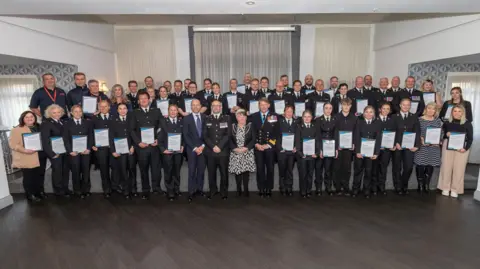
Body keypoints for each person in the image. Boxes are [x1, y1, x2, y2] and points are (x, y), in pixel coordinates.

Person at [129, 91, 163, 199]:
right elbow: (132, 130)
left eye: (145, 98)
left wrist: (158, 139)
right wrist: (138, 142)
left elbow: (162, 127)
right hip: (142, 147)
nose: (143, 100)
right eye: (141, 99)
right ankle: (145, 190)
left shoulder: (156, 111)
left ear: (149, 100)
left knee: (156, 169)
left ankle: (156, 188)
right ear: (138, 101)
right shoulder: (134, 113)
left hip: (154, 146)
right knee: (143, 169)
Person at [438, 105, 473, 198]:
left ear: (463, 113)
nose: (457, 113)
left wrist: (465, 148)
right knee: (446, 167)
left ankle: (455, 189)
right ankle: (445, 187)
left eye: (459, 111)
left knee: (459, 169)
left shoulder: (467, 123)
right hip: (447, 146)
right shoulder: (446, 123)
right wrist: (446, 134)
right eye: (455, 111)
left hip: (462, 148)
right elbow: (442, 135)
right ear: (451, 112)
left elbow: (470, 138)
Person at [9, 111, 44, 202]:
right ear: (22, 119)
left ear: (34, 118)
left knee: (38, 176)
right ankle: (30, 195)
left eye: (31, 116)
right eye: (26, 117)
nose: (29, 118)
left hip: (40, 155)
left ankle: (38, 192)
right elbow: (13, 144)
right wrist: (25, 150)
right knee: (29, 177)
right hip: (26, 156)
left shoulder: (39, 127)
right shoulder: (16, 129)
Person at [203, 100, 231, 200]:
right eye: (214, 106)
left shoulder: (227, 118)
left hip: (223, 151)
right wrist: (212, 146)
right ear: (211, 107)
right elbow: (205, 136)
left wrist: (220, 146)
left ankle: (224, 192)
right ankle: (212, 191)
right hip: (210, 151)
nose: (216, 107)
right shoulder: (207, 118)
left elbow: (228, 134)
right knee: (211, 173)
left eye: (218, 106)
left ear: (221, 107)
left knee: (224, 173)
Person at [63, 105, 93, 199]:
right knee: (75, 171)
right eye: (75, 111)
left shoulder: (87, 123)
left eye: (80, 111)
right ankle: (77, 190)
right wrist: (70, 151)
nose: (78, 113)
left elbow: (91, 136)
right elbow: (65, 139)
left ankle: (86, 190)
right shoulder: (67, 124)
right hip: (73, 152)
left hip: (85, 151)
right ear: (71, 113)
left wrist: (88, 148)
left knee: (86, 171)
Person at [392, 98, 421, 195]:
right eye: (404, 104)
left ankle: (404, 184)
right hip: (397, 146)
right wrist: (395, 142)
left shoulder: (414, 117)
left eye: (408, 105)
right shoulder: (394, 117)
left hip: (409, 146)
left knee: (408, 167)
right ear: (400, 105)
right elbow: (391, 131)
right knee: (396, 167)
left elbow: (417, 132)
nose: (406, 106)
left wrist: (417, 145)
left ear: (410, 106)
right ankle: (398, 186)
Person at [252, 98, 279, 197]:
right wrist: (256, 144)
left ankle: (269, 188)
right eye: (261, 105)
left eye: (265, 104)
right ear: (259, 106)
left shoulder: (274, 116)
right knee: (260, 168)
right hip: (258, 147)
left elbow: (276, 133)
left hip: (270, 147)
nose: (263, 106)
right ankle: (261, 188)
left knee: (270, 168)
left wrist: (268, 145)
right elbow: (252, 133)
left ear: (268, 105)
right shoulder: (254, 116)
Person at [109, 103, 136, 199]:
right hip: (119, 150)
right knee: (123, 170)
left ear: (127, 110)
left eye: (124, 108)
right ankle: (126, 190)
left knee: (132, 170)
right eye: (120, 109)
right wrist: (113, 150)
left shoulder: (131, 119)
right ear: (117, 110)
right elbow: (111, 136)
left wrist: (133, 146)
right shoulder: (113, 121)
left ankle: (133, 189)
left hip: (130, 149)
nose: (122, 110)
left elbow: (135, 134)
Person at [414, 102, 443, 194]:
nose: (431, 111)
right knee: (421, 165)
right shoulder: (419, 120)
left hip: (434, 148)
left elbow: (441, 133)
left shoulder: (438, 121)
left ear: (435, 111)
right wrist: (421, 140)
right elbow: (416, 132)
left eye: (433, 109)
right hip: (422, 146)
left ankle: (426, 184)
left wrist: (439, 141)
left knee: (430, 165)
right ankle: (420, 184)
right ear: (426, 109)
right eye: (429, 108)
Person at [353, 106, 381, 198]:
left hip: (371, 153)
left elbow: (378, 139)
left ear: (374, 114)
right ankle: (355, 189)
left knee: (368, 172)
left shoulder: (377, 123)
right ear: (363, 113)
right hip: (360, 152)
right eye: (367, 112)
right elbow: (356, 137)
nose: (369, 114)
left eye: (371, 112)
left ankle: (366, 190)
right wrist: (357, 151)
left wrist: (376, 153)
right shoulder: (359, 122)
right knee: (358, 171)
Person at [158, 104, 184, 201]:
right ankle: (170, 191)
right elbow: (159, 137)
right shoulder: (163, 121)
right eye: (171, 110)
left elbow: (184, 136)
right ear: (168, 111)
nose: (173, 112)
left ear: (178, 112)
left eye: (175, 110)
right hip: (167, 152)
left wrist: (183, 146)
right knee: (168, 172)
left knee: (177, 171)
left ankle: (177, 189)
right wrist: (163, 149)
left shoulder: (181, 122)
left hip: (178, 152)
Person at [183, 99, 207, 202]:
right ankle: (191, 192)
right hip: (191, 149)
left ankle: (199, 189)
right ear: (191, 107)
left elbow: (207, 133)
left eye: (198, 105)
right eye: (194, 105)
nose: (196, 107)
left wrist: (202, 146)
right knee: (192, 171)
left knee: (201, 171)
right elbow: (186, 135)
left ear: (200, 106)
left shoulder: (205, 117)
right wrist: (194, 147)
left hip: (203, 148)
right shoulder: (186, 118)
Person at [229, 109, 256, 197]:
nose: (242, 118)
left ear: (246, 117)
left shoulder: (250, 126)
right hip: (236, 152)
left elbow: (253, 139)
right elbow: (229, 139)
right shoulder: (232, 126)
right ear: (236, 117)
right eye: (239, 116)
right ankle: (238, 189)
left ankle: (246, 189)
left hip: (247, 152)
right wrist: (234, 148)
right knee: (238, 171)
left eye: (243, 116)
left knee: (245, 171)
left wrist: (246, 148)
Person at [334, 98, 357, 195]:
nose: (346, 107)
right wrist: (336, 145)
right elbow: (334, 132)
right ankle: (338, 188)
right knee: (337, 167)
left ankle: (346, 187)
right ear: (341, 105)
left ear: (351, 106)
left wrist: (353, 143)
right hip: (339, 147)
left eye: (348, 105)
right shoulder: (336, 117)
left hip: (349, 148)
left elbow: (356, 132)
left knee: (347, 168)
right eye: (344, 105)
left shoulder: (354, 118)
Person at [372, 103, 396, 195]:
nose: (385, 110)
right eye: (384, 108)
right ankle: (374, 187)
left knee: (383, 168)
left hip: (386, 149)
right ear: (380, 109)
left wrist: (393, 144)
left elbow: (395, 133)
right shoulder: (374, 119)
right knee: (374, 168)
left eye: (387, 109)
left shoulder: (392, 120)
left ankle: (381, 186)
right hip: (375, 149)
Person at [92, 100, 114, 197]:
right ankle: (107, 189)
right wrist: (92, 144)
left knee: (115, 168)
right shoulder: (94, 118)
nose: (103, 108)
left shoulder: (115, 117)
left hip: (113, 147)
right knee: (104, 169)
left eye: (105, 106)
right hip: (100, 148)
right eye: (101, 106)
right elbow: (90, 133)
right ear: (98, 107)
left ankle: (115, 186)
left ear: (109, 107)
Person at [295, 110, 319, 198]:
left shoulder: (314, 127)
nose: (307, 118)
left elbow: (317, 141)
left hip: (312, 156)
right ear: (302, 118)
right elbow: (297, 142)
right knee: (303, 174)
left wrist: (317, 153)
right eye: (305, 116)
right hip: (302, 156)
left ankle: (308, 190)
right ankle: (303, 191)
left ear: (311, 118)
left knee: (310, 174)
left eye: (309, 116)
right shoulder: (299, 127)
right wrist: (301, 154)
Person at [316, 103, 337, 196]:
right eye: (326, 108)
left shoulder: (335, 119)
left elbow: (336, 135)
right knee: (319, 169)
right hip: (321, 148)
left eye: (330, 108)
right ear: (323, 109)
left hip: (330, 148)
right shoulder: (317, 120)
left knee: (328, 170)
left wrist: (336, 148)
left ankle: (328, 187)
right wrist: (319, 149)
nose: (328, 110)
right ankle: (318, 188)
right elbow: (317, 136)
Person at [276, 106, 297, 196]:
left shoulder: (297, 122)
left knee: (290, 170)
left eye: (291, 111)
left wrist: (296, 147)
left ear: (293, 113)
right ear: (284, 112)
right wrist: (280, 148)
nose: (289, 113)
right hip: (282, 151)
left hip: (292, 152)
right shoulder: (279, 122)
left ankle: (289, 187)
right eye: (287, 111)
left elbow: (298, 136)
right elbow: (276, 137)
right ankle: (282, 187)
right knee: (282, 170)